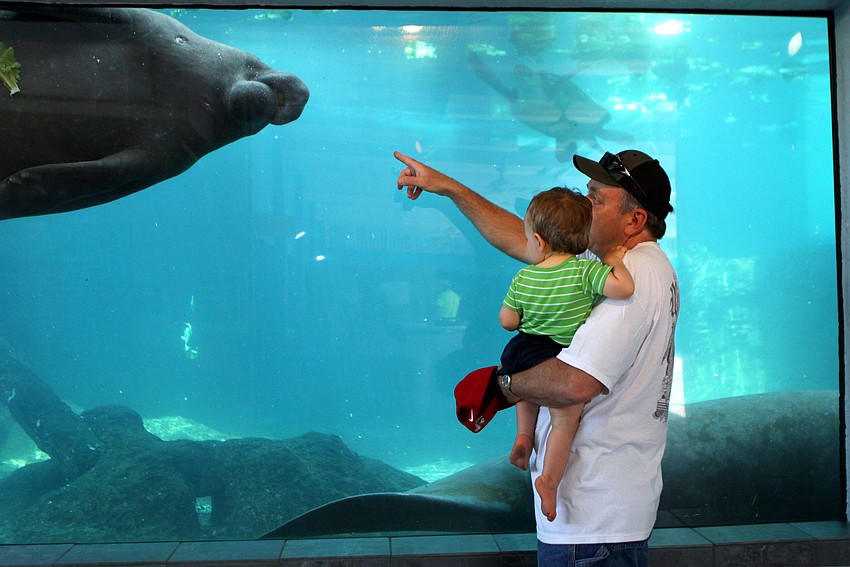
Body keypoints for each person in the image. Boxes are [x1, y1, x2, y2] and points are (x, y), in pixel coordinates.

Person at [394, 148, 679, 567]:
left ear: (634, 220)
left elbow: (575, 384)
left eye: (596, 199)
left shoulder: (633, 277)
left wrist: (504, 384)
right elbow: (524, 237)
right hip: (596, 521)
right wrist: (450, 189)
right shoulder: (610, 266)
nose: (585, 206)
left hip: (593, 526)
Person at [497, 187, 634, 523]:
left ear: (539, 242)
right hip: (562, 354)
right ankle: (548, 481)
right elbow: (624, 289)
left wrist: (526, 311)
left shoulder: (524, 277)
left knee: (526, 392)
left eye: (528, 239)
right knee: (563, 423)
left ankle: (524, 436)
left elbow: (507, 321)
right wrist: (615, 261)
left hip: (525, 349)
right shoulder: (586, 272)